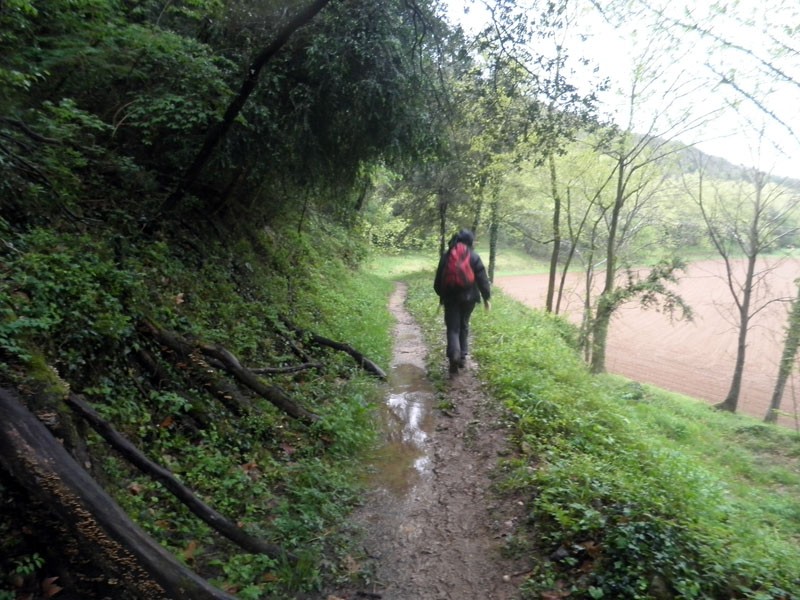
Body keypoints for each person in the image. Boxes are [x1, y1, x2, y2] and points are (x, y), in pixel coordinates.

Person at [433, 229, 491, 374]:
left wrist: (442, 295)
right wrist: (486, 297)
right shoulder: (474, 256)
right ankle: (462, 357)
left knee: (453, 328)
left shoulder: (447, 256)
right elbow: (482, 279)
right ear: (470, 241)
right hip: (469, 298)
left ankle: (454, 355)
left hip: (450, 298)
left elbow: (438, 281)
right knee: (464, 325)